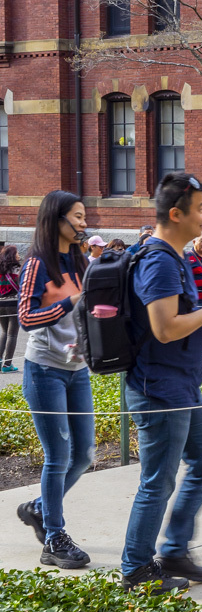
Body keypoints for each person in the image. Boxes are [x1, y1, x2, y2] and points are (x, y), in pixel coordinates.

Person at [120, 172, 202, 593]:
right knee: (158, 482)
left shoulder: (176, 256)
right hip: (159, 389)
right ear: (175, 214)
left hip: (181, 384)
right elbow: (165, 328)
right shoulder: (160, 260)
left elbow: (175, 326)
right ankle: (135, 570)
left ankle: (173, 551)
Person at [16, 191, 95, 570]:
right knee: (59, 456)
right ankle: (54, 537)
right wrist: (70, 302)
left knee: (84, 454)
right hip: (44, 370)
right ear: (57, 219)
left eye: (84, 217)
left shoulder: (80, 260)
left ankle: (39, 509)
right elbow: (26, 319)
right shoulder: (37, 263)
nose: (83, 223)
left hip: (77, 370)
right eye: (77, 217)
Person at [0, 245, 21, 372]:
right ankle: (7, 365)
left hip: (0, 304)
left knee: (4, 332)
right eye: (17, 253)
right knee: (12, 334)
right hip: (13, 304)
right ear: (13, 255)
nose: (18, 255)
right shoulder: (17, 269)